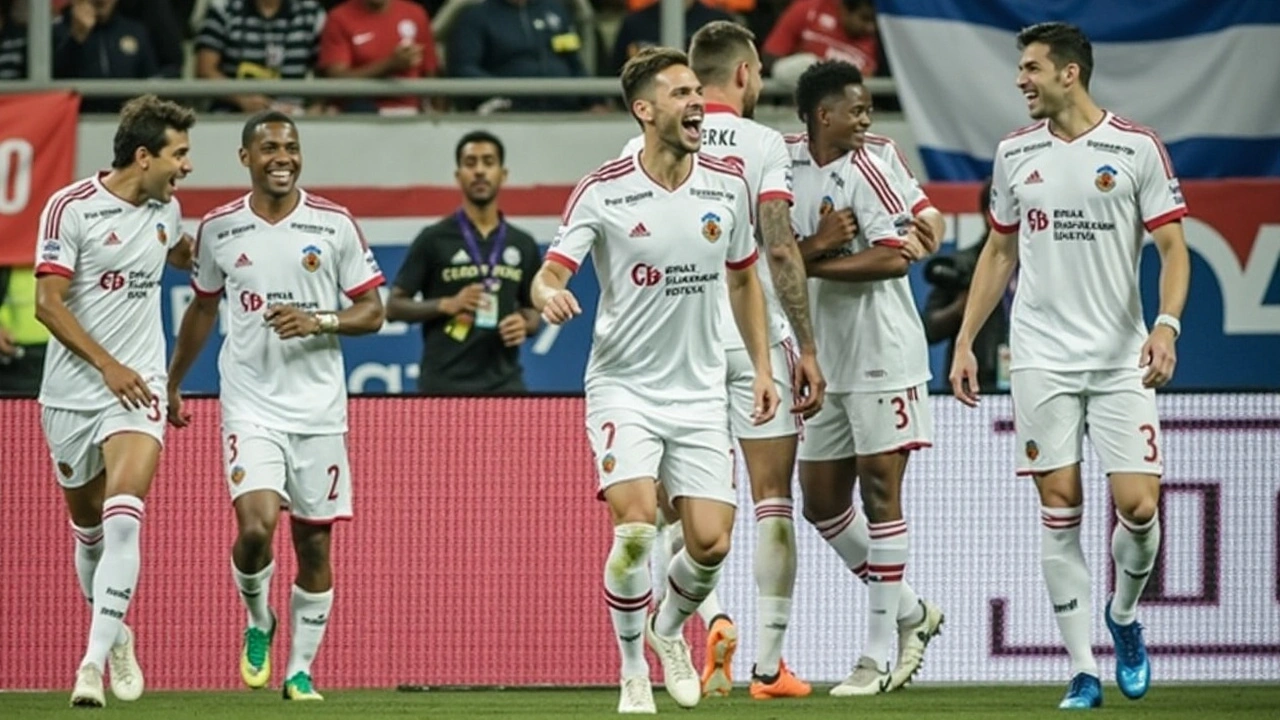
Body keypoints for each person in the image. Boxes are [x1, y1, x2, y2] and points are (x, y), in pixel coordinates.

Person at [949, 22, 1190, 710]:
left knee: (1139, 509)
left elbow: (1174, 249)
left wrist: (1166, 327)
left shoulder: (1136, 147)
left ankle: (1122, 616)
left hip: (1119, 358)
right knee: (1060, 507)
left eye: (1030, 68)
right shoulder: (1014, 153)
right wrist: (966, 341)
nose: (1020, 80)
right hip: (1041, 358)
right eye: (1019, 69)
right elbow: (998, 253)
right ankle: (1084, 669)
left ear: (1069, 73)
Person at [532, 46, 778, 714]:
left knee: (711, 544)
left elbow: (744, 279)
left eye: (699, 90)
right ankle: (631, 668)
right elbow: (551, 270)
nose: (697, 102)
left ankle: (670, 630)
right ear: (644, 110)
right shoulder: (604, 188)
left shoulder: (727, 183)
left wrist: (760, 366)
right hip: (625, 388)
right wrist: (547, 290)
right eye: (679, 93)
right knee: (638, 528)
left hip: (699, 391)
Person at [618, 20, 825, 700]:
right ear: (743, 74)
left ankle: (695, 620)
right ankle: (767, 665)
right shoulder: (766, 144)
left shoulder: (643, 142)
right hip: (751, 339)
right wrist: (805, 347)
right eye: (760, 70)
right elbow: (778, 248)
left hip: (682, 350)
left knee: (676, 518)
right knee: (767, 503)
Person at [166, 110, 386, 701]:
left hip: (318, 410)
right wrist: (173, 381)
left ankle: (299, 670)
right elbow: (204, 310)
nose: (282, 157)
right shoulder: (219, 228)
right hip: (251, 405)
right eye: (269, 148)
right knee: (257, 528)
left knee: (314, 543)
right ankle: (258, 618)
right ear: (246, 158)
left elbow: (374, 310)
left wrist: (319, 321)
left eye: (290, 146)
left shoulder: (334, 224)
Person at [787, 59, 944, 696]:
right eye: (856, 109)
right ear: (823, 114)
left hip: (882, 348)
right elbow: (769, 257)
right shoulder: (780, 165)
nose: (867, 118)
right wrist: (817, 247)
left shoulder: (875, 159)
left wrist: (808, 267)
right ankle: (914, 613)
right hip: (819, 351)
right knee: (821, 502)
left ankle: (876, 657)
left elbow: (896, 256)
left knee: (881, 490)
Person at [33, 94, 195, 707]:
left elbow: (176, 250)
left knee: (125, 511)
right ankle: (118, 632)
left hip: (141, 387)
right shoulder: (69, 207)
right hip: (74, 392)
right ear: (144, 155)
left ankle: (91, 666)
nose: (187, 167)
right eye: (179, 155)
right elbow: (47, 304)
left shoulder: (168, 211)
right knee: (90, 531)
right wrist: (107, 366)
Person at [387, 130, 542, 394]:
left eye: (488, 162)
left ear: (503, 174)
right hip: (443, 386)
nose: (480, 171)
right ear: (458, 176)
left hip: (505, 386)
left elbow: (534, 311)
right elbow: (393, 307)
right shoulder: (433, 239)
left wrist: (525, 324)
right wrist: (447, 304)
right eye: (471, 163)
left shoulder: (522, 244)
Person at [922, 179, 1011, 394]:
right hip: (976, 382)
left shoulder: (1037, 265)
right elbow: (929, 329)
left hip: (1032, 376)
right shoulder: (961, 266)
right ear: (987, 215)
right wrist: (960, 309)